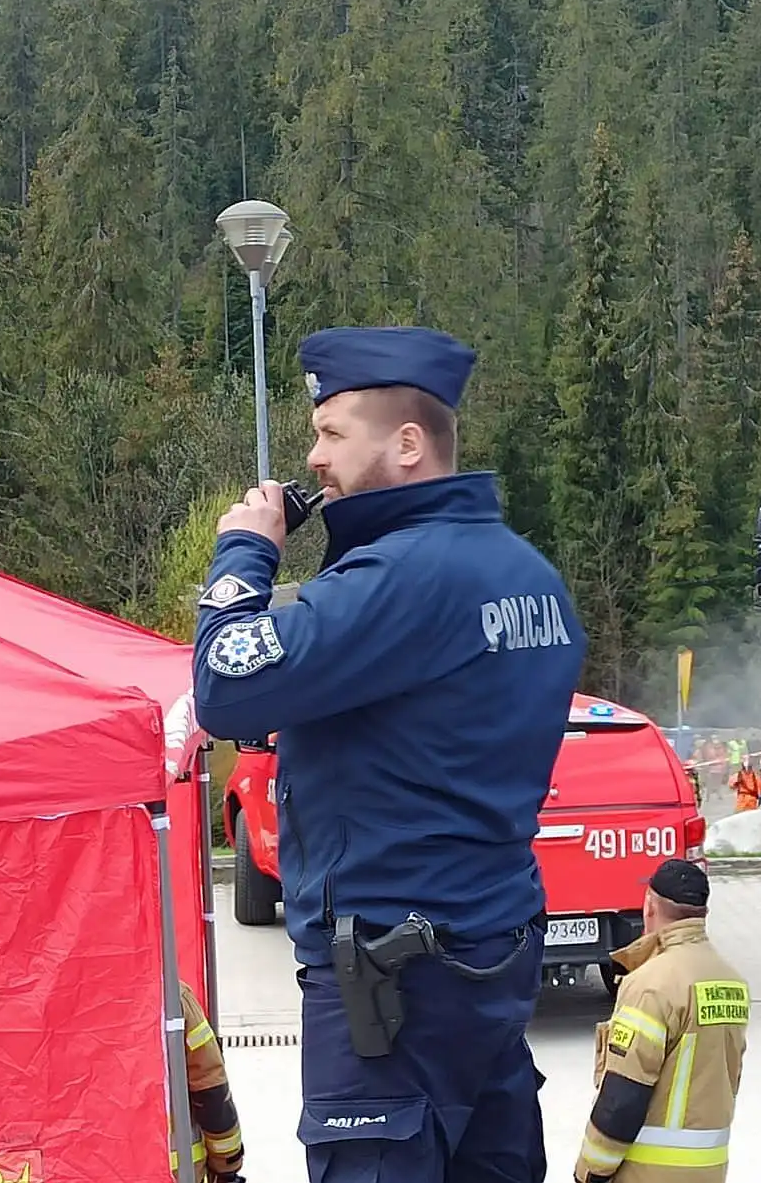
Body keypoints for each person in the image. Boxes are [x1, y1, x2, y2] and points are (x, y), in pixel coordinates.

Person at [191, 325, 587, 1182]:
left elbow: (225, 682)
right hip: (488, 966)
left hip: (389, 991)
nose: (314, 455)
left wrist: (246, 549)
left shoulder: (402, 580)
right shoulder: (529, 576)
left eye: (333, 432)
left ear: (407, 444)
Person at [572, 860, 749, 1183]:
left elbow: (623, 1097)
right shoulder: (732, 983)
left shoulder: (651, 985)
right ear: (703, 915)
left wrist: (590, 1172)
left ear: (649, 906)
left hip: (648, 1173)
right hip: (709, 1172)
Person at [174, 983, 246, 1183]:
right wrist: (226, 1166)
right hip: (176, 1175)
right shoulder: (173, 997)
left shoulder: (79, 996)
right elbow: (210, 1093)